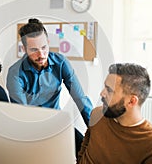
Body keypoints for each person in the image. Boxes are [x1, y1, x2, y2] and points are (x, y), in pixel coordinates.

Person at [6, 18, 93, 156]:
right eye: (34, 50)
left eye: (44, 47)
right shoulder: (15, 73)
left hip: (57, 122)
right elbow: (22, 113)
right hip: (31, 128)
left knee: (84, 149)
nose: (41, 54)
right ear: (24, 49)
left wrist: (95, 131)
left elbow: (80, 99)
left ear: (48, 43)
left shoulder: (61, 62)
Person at [77, 63, 152, 164]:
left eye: (109, 90)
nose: (102, 93)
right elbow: (83, 152)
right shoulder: (97, 114)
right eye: (104, 87)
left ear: (131, 101)